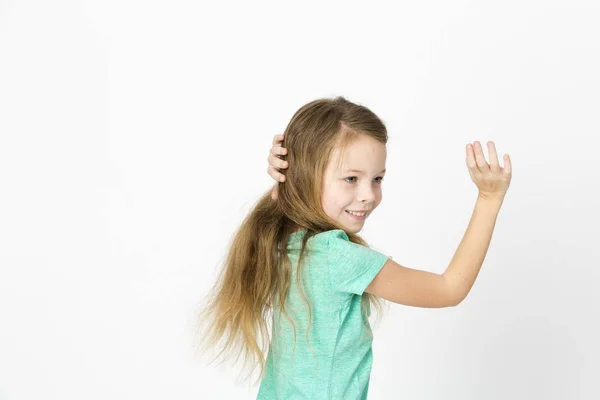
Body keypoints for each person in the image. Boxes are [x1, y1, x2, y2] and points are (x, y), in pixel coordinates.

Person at [196, 96, 512, 399]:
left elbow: (285, 198)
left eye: (377, 179)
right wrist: (489, 198)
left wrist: (287, 177)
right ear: (304, 175)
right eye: (351, 178)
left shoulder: (281, 237)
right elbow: (448, 288)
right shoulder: (340, 258)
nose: (368, 195)